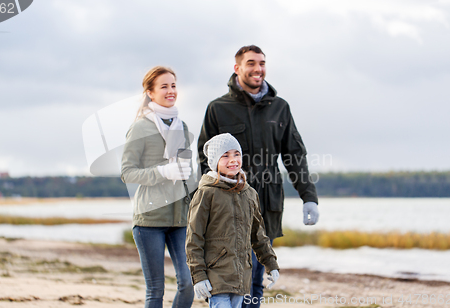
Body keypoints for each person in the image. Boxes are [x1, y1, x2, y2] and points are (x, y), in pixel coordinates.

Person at [197, 45, 319, 308]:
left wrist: (309, 197)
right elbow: (203, 159)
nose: (258, 69)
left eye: (262, 63)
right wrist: (205, 201)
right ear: (237, 68)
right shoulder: (218, 109)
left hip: (266, 205)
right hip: (225, 208)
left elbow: (294, 156)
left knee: (255, 277)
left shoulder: (280, 108)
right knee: (228, 273)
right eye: (251, 63)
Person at [121, 66, 194, 308]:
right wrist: (162, 171)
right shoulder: (140, 127)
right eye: (164, 86)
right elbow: (127, 173)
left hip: (180, 219)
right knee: (156, 290)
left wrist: (188, 175)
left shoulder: (181, 127)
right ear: (150, 93)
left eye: (173, 85)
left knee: (189, 282)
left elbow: (185, 172)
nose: (171, 90)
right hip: (148, 220)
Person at [186, 133, 280, 308]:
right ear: (215, 161)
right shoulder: (206, 193)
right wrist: (198, 276)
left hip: (242, 277)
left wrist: (271, 264)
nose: (233, 160)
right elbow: (194, 238)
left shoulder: (249, 193)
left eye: (236, 154)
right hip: (216, 276)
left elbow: (258, 236)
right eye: (225, 155)